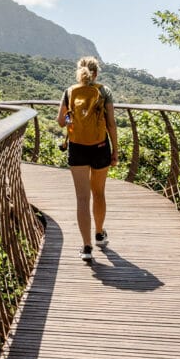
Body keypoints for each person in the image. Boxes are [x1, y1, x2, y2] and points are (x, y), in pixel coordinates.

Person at [57, 56, 118, 262]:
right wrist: (115, 151)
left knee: (82, 199)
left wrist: (70, 117)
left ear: (79, 72)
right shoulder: (104, 91)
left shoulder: (69, 92)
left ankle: (86, 247)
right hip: (100, 147)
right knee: (98, 193)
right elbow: (111, 124)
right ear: (96, 73)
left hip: (77, 147)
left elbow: (60, 122)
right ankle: (99, 234)